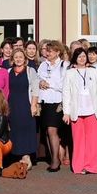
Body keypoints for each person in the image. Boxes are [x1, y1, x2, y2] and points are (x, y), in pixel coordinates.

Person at [62, 47, 97, 174]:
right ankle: (79, 166)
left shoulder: (93, 71)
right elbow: (66, 93)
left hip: (93, 110)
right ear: (75, 58)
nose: (82, 58)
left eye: (84, 56)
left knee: (93, 140)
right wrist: (66, 112)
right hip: (77, 111)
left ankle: (91, 166)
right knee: (78, 140)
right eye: (79, 56)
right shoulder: (70, 73)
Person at [36, 40, 68, 172]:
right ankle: (53, 157)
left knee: (52, 130)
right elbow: (37, 78)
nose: (47, 53)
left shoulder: (65, 65)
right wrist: (41, 82)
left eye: (50, 51)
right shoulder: (43, 65)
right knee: (47, 132)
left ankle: (55, 160)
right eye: (46, 51)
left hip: (57, 102)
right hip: (45, 102)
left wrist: (49, 84)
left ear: (57, 52)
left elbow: (64, 85)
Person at [6, 49, 39, 167]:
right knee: (15, 130)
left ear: (25, 59)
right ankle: (18, 156)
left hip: (26, 104)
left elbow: (35, 89)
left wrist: (34, 105)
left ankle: (26, 156)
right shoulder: (8, 71)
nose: (18, 59)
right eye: (16, 57)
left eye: (21, 57)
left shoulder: (31, 71)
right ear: (12, 59)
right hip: (12, 105)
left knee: (26, 130)